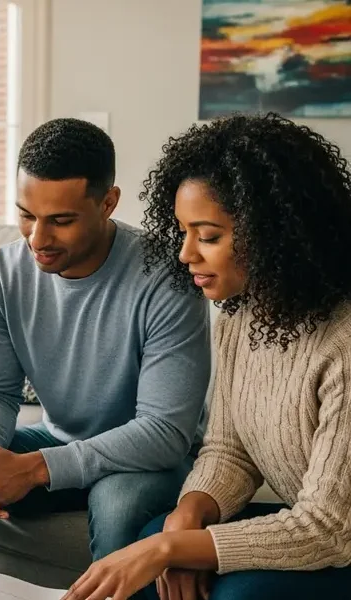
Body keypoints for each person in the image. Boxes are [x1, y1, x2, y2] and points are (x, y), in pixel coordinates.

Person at [63, 112, 351, 600]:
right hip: (318, 531)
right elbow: (229, 448)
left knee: (227, 590)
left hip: (337, 540)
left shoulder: (341, 342)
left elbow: (328, 527)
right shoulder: (243, 316)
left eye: (209, 236)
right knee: (155, 535)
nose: (185, 254)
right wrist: (188, 516)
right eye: (182, 231)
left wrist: (175, 550)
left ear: (274, 233)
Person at [0, 118, 212, 577]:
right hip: (59, 438)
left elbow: (164, 432)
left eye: (61, 221)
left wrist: (33, 470)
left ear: (108, 202)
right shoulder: (7, 272)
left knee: (116, 503)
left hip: (144, 457)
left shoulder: (165, 278)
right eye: (26, 215)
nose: (37, 239)